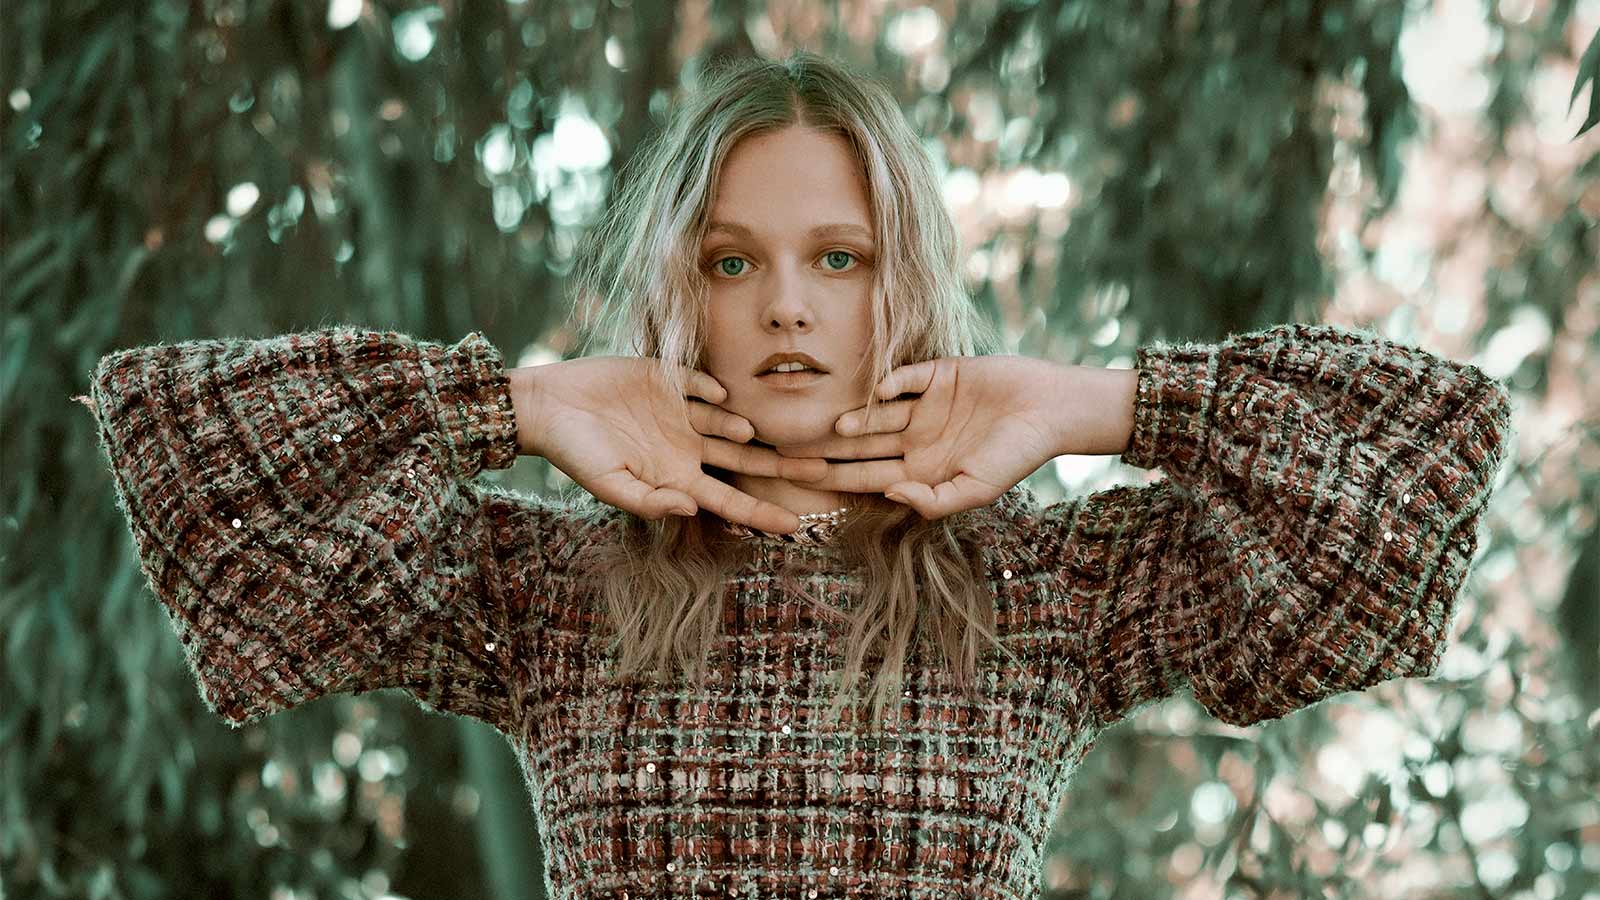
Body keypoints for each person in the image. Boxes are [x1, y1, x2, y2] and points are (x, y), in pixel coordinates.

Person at [84, 50, 1513, 900]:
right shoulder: (548, 584)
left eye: (840, 257)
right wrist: (499, 404)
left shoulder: (1049, 583)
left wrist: (1113, 405)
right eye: (731, 263)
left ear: (907, 279)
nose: (785, 306)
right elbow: (193, 483)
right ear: (678, 288)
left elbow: (1417, 493)